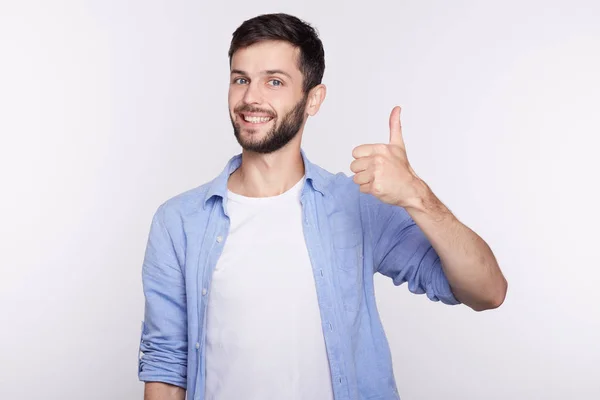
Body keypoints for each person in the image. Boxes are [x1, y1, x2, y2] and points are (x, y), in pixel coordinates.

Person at [137, 12, 507, 400]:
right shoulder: (178, 221)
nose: (251, 97)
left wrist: (417, 195)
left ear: (313, 99)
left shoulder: (356, 207)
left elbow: (488, 291)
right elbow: (166, 366)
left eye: (274, 81)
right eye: (241, 79)